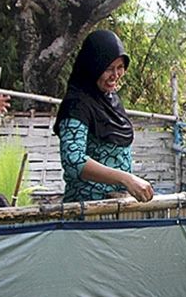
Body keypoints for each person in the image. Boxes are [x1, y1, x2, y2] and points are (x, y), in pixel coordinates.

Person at [53, 30, 154, 203]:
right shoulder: (78, 105)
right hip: (86, 211)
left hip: (116, 206)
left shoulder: (111, 99)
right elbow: (73, 161)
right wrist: (126, 179)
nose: (115, 75)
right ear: (92, 68)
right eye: (108, 69)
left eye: (120, 67)